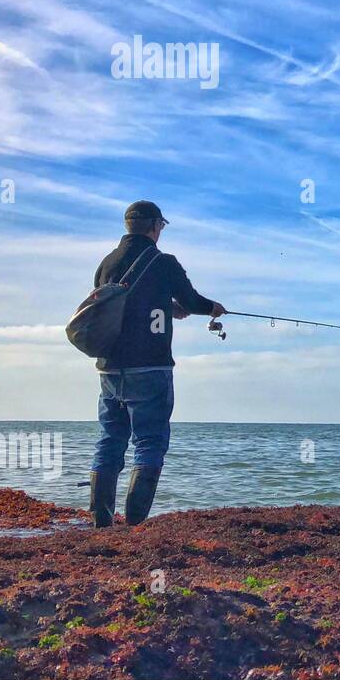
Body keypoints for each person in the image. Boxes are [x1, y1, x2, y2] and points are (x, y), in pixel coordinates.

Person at [88, 201, 224, 527]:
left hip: (110, 366)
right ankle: (135, 526)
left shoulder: (107, 263)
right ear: (154, 226)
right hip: (150, 365)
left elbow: (115, 305)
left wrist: (167, 307)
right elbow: (193, 301)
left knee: (110, 441)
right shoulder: (163, 262)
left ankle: (101, 524)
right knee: (150, 442)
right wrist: (213, 308)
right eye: (161, 225)